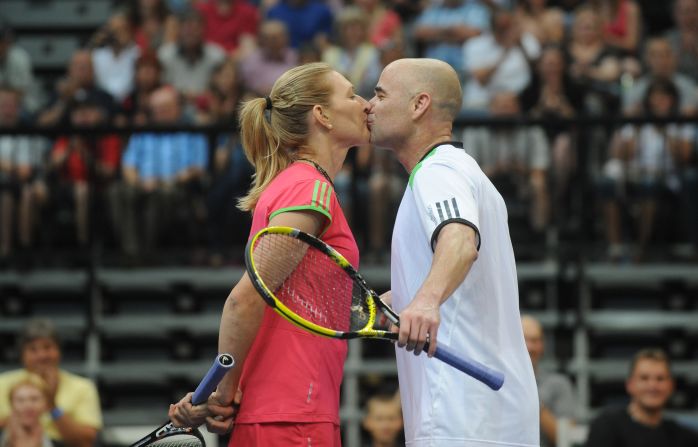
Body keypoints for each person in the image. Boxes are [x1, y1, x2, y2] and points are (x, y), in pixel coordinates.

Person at [168, 62, 371, 446]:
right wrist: (224, 396)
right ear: (322, 116)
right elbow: (244, 301)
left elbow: (309, 305)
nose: (364, 104)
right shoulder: (309, 190)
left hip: (287, 412)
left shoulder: (295, 185)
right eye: (351, 94)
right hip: (291, 416)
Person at [366, 57, 539, 446]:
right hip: (489, 413)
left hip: (462, 414)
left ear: (418, 105)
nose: (368, 105)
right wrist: (401, 302)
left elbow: (460, 241)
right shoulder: (462, 171)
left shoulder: (438, 170)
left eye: (379, 94)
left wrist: (425, 301)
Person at [0, 319, 103, 447]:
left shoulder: (82, 387)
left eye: (47, 347)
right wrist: (25, 416)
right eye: (33, 349)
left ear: (59, 351)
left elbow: (87, 441)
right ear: (22, 354)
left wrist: (52, 406)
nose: (42, 355)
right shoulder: (2, 383)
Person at [584, 348, 698, 447]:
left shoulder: (684, 438)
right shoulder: (607, 426)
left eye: (660, 378)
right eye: (644, 378)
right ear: (630, 385)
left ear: (671, 386)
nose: (653, 386)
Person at [521, 314, 577, 447]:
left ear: (542, 345)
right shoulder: (495, 381)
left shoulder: (558, 384)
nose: (530, 347)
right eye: (523, 340)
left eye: (535, 340)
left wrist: (533, 401)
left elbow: (566, 438)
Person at [0, 375, 54, 447]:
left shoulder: (56, 439)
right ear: (11, 404)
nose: (28, 406)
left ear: (46, 404)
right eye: (20, 400)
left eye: (34, 399)